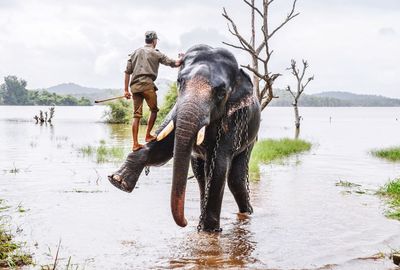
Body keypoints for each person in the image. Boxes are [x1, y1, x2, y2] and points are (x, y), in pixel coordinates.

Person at [124, 31, 183, 151]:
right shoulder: (156, 53)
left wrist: (126, 90)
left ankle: (135, 144)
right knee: (154, 110)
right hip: (147, 87)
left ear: (146, 40)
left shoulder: (134, 53)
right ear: (154, 41)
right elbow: (175, 63)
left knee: (136, 116)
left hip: (135, 88)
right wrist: (182, 57)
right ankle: (147, 135)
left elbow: (127, 72)